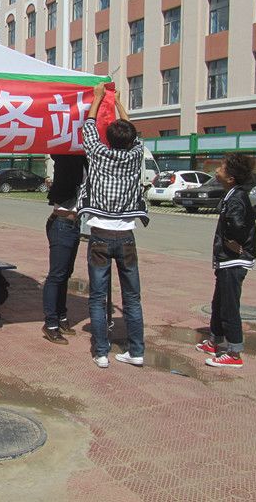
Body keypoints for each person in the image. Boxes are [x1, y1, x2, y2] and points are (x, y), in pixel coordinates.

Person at [79, 83, 148, 369]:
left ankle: (101, 352)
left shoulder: (98, 153)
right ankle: (136, 351)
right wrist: (119, 104)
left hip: (99, 235)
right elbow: (134, 133)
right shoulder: (136, 155)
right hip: (126, 237)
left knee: (97, 296)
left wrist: (97, 99)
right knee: (132, 297)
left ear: (107, 137)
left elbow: (89, 125)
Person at [196, 153, 256, 368]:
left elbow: (238, 227)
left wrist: (233, 243)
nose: (217, 170)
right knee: (218, 302)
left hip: (234, 261)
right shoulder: (232, 194)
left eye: (222, 167)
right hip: (226, 260)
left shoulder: (237, 198)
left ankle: (234, 352)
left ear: (231, 177)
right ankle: (215, 341)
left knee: (229, 307)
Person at [41, 154, 88, 345]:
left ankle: (61, 317)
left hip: (74, 225)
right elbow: (56, 152)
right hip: (61, 224)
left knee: (65, 274)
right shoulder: (67, 157)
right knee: (57, 275)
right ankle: (50, 323)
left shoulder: (86, 160)